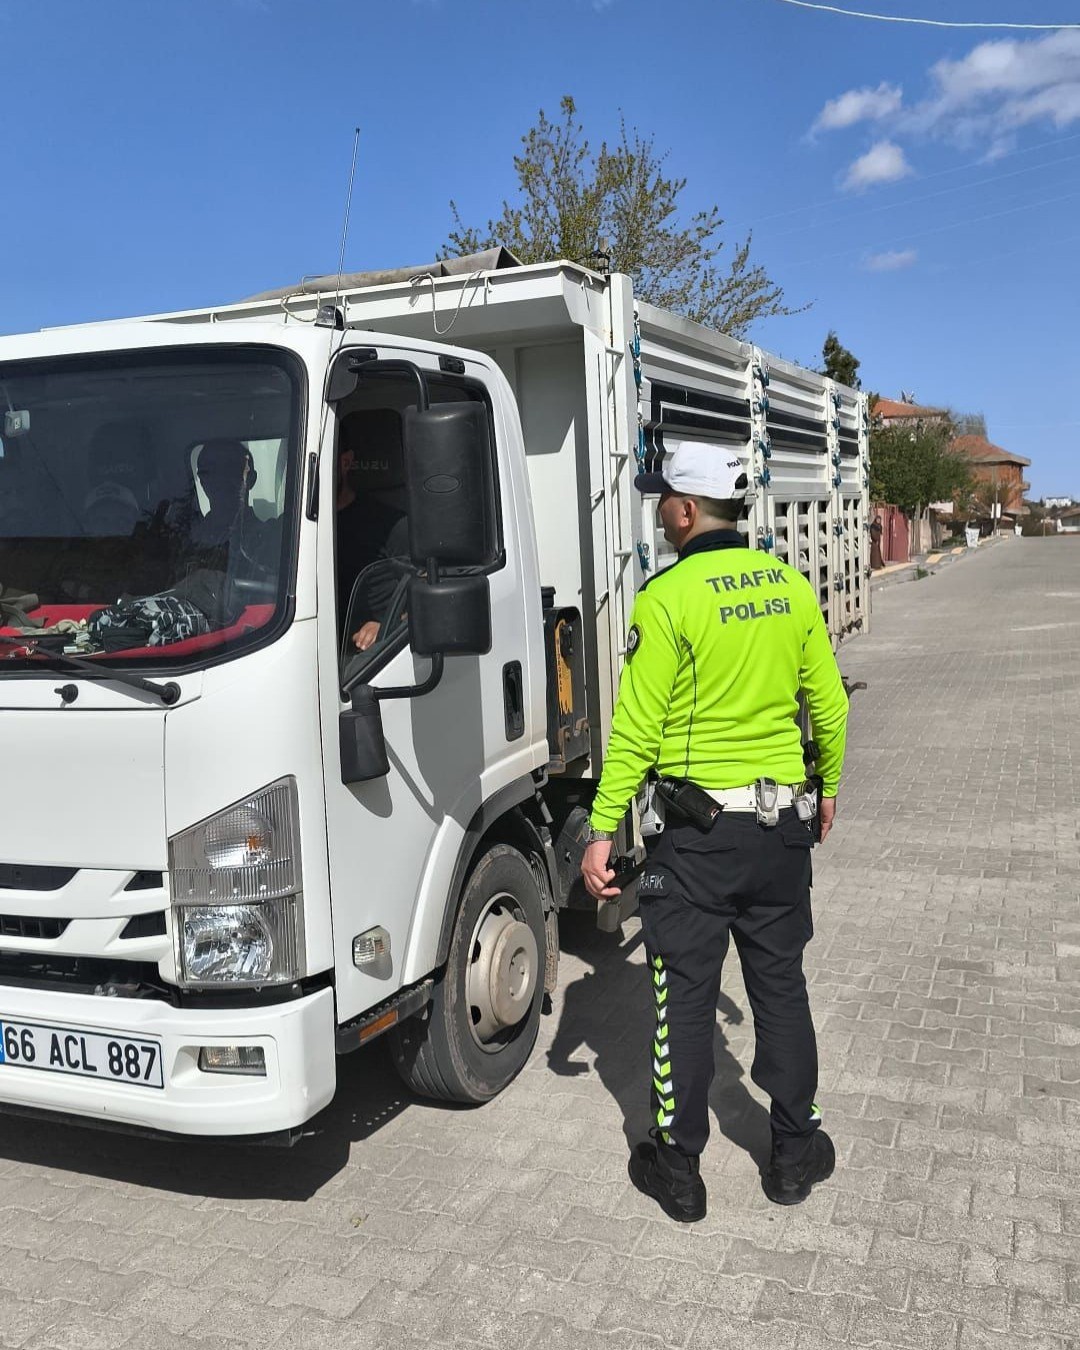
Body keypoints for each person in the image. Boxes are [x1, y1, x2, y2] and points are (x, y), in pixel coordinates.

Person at [580, 442, 849, 1222]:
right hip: (779, 833)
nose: (659, 509)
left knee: (683, 1001)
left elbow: (636, 730)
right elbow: (828, 707)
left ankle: (679, 1169)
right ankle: (793, 1155)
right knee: (781, 988)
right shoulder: (791, 586)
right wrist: (827, 788)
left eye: (663, 497)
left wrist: (602, 830)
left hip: (695, 845)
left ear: (688, 511)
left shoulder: (666, 598)